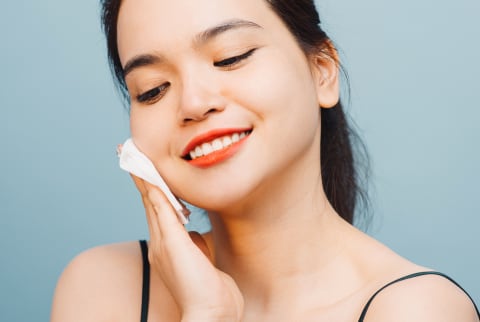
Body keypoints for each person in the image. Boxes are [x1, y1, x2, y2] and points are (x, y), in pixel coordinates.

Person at [51, 0, 480, 321]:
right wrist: (205, 313)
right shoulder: (104, 289)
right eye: (152, 89)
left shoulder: (415, 309)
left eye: (230, 57)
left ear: (322, 70)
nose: (194, 104)